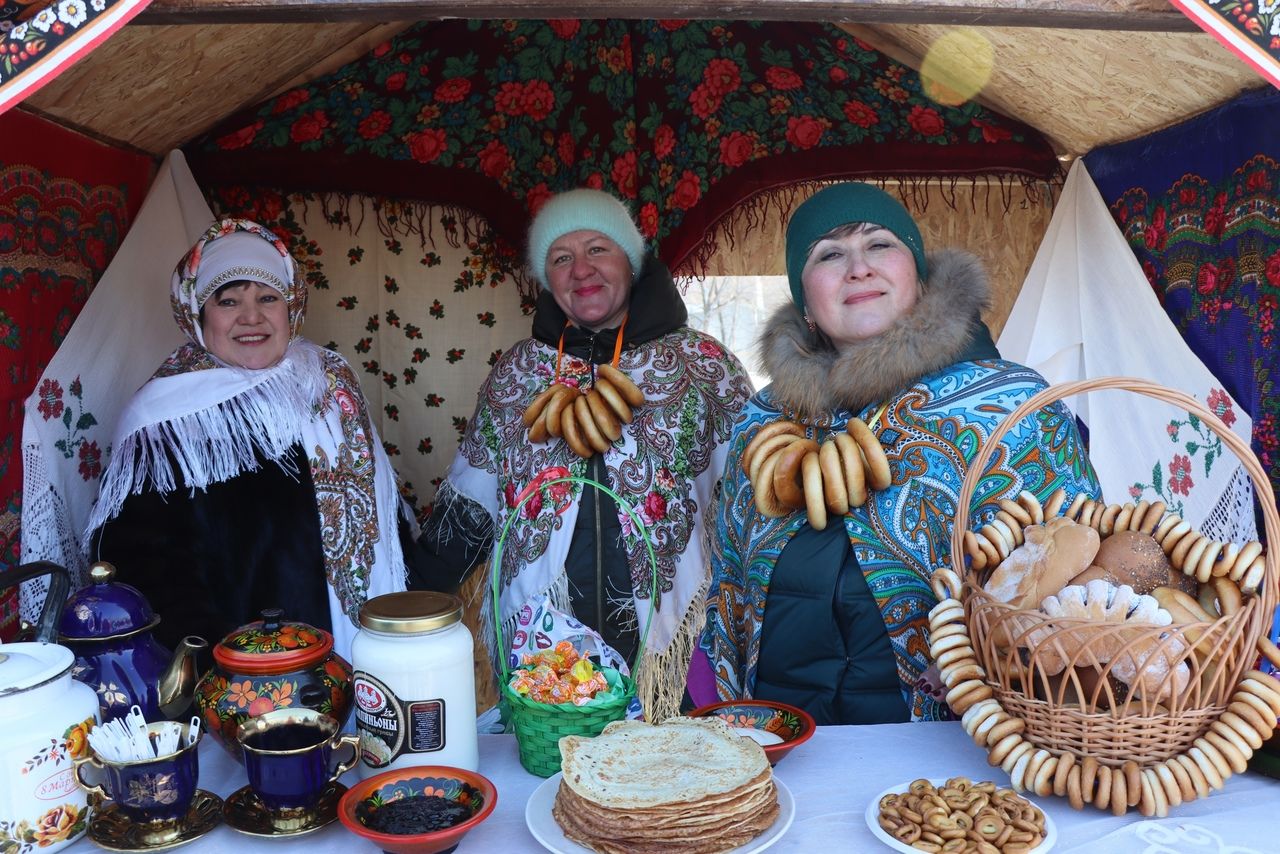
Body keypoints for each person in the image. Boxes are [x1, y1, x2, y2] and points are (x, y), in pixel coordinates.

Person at [702, 183, 1100, 725]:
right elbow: (728, 588)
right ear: (806, 303)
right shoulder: (763, 422)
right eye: (829, 254)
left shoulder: (1015, 410)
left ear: (918, 274)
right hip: (778, 741)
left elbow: (1083, 579)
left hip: (952, 758)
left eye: (879, 244)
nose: (858, 268)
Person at [410, 189, 752, 721]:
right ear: (547, 279)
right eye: (560, 258)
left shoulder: (703, 366)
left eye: (598, 249)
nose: (581, 270)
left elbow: (753, 497)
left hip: (674, 639)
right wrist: (411, 596)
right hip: (543, 644)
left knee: (671, 788)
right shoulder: (519, 372)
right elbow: (470, 498)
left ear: (631, 261)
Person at [86, 219, 411, 662]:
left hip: (366, 657)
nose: (251, 317)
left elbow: (380, 516)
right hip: (250, 681)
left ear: (290, 307)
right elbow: (144, 569)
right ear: (198, 315)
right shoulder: (163, 423)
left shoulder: (328, 383)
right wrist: (217, 665)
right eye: (228, 301)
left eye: (267, 297)